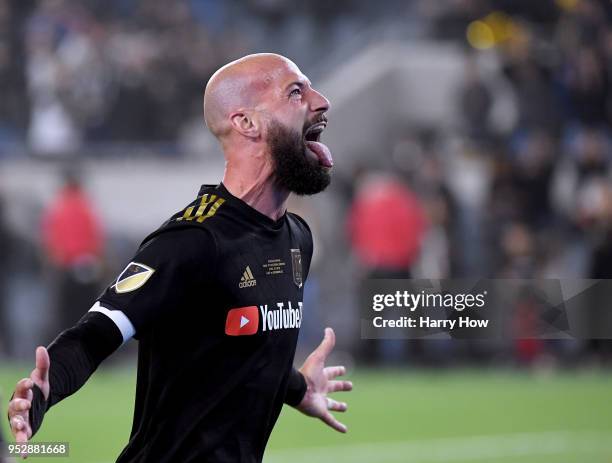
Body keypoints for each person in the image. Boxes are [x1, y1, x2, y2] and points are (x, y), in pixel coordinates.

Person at [7, 53, 352, 462]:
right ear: (246, 123)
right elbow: (96, 333)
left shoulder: (297, 239)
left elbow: (244, 346)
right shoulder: (194, 240)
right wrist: (43, 393)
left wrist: (296, 388)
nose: (321, 100)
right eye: (296, 92)